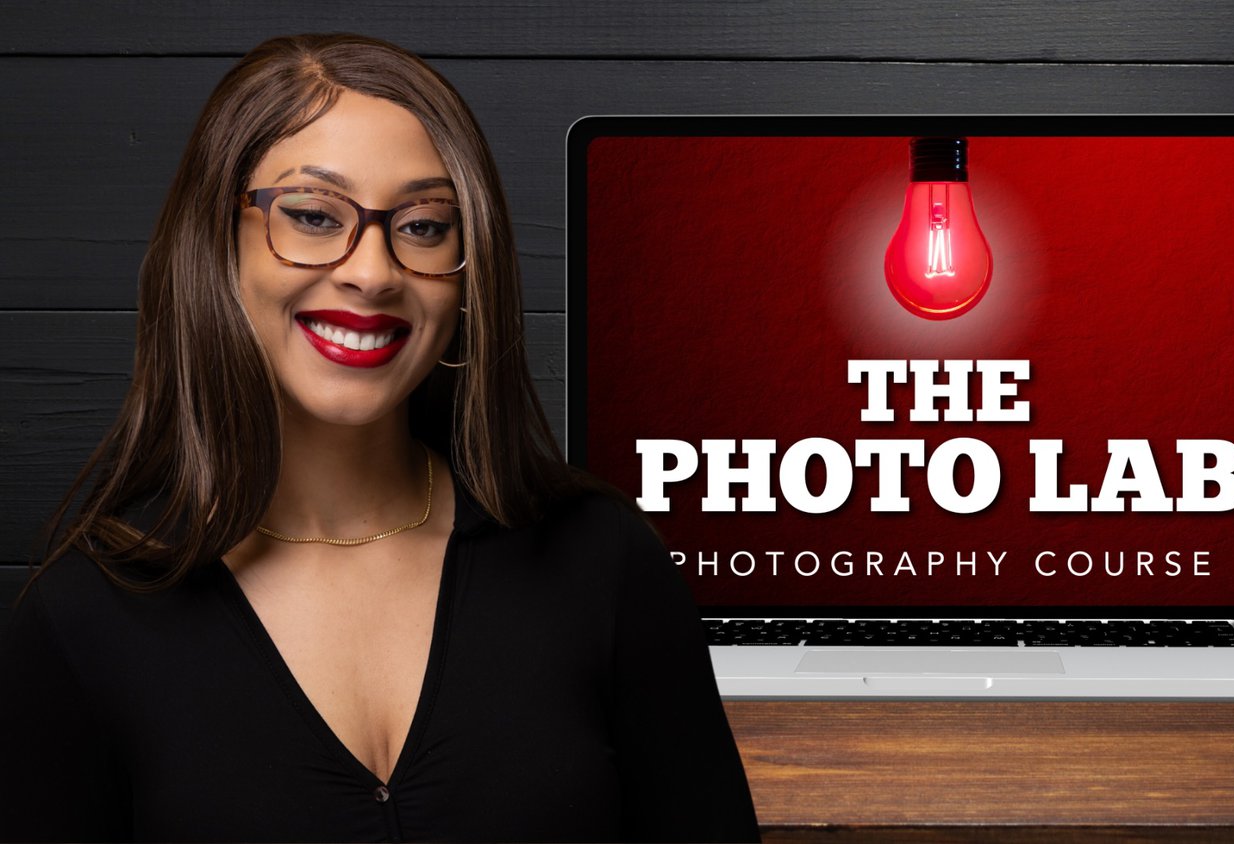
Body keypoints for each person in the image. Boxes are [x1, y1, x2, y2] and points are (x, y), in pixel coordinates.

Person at [0, 33, 759, 843]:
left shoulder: (602, 563)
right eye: (312, 216)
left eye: (425, 226)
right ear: (216, 243)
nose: (373, 272)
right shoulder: (81, 619)